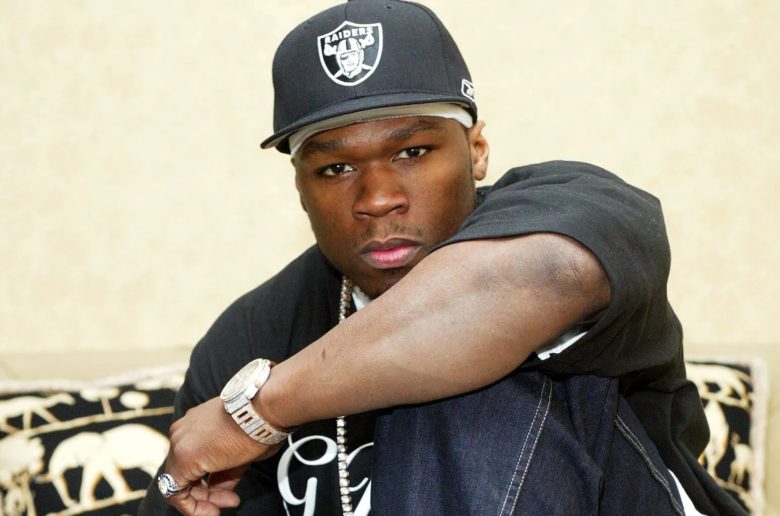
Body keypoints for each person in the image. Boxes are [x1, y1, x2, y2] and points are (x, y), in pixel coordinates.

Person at [140, 1, 744, 515]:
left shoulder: (575, 207)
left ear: (476, 151)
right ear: (300, 187)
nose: (377, 198)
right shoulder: (250, 336)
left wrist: (256, 411)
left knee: (471, 356)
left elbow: (533, 282)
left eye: (413, 152)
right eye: (336, 168)